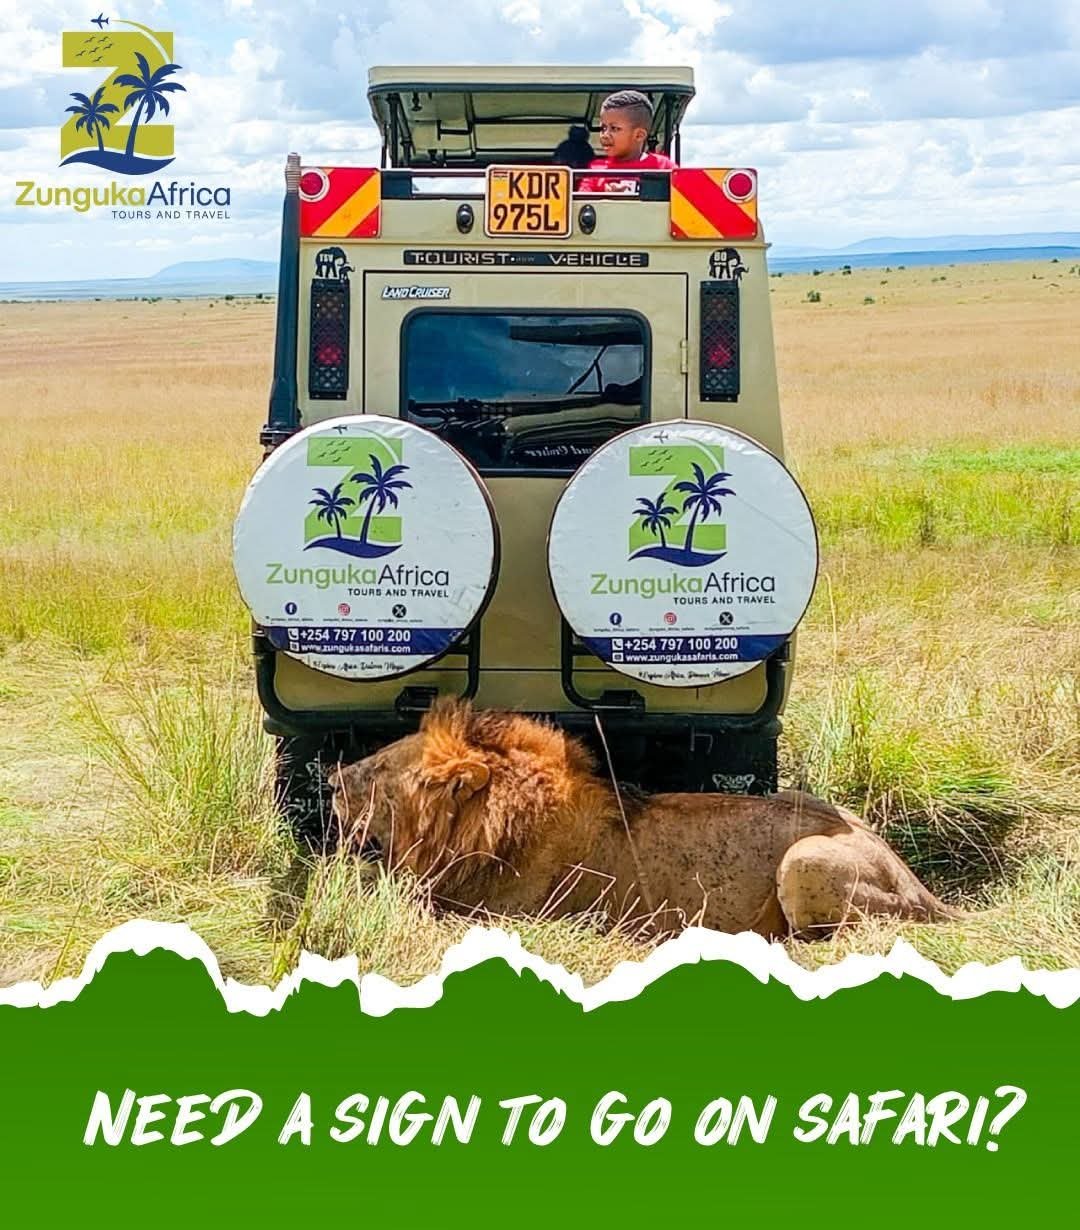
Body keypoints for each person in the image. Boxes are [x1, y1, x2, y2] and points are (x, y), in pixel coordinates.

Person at [578, 89, 677, 193]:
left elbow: (684, 199)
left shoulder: (664, 167)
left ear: (639, 135)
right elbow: (581, 200)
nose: (605, 135)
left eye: (614, 128)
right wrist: (604, 196)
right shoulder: (596, 169)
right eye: (603, 128)